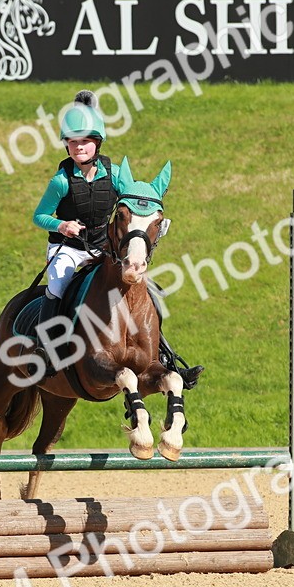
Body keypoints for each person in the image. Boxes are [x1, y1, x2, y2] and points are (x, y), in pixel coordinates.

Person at [31, 90, 202, 387]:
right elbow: (39, 216)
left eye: (85, 141)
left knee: (149, 291)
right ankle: (47, 350)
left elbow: (136, 198)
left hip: (104, 249)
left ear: (97, 143)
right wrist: (61, 225)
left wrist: (153, 216)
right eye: (72, 142)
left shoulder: (116, 173)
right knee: (57, 286)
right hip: (68, 249)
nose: (78, 147)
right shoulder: (60, 181)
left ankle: (165, 358)